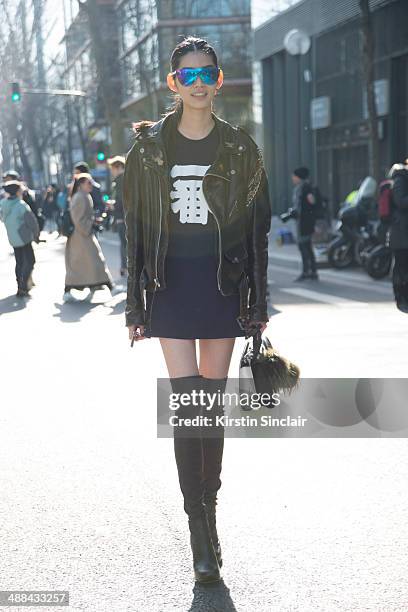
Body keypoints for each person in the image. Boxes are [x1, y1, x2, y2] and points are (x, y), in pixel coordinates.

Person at [123, 36, 271, 584]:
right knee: (189, 409)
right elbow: (135, 229)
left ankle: (209, 510)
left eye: (206, 73)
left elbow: (258, 228)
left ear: (219, 77)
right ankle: (199, 532)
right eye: (187, 76)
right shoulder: (149, 150)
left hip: (222, 286)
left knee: (211, 408)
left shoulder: (240, 148)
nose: (198, 83)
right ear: (172, 84)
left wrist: (258, 299)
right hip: (169, 289)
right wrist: (135, 303)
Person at [63, 173, 114, 302]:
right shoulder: (80, 197)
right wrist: (90, 224)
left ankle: (106, 285)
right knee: (91, 262)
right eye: (89, 183)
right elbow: (78, 219)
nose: (91, 185)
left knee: (88, 263)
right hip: (80, 237)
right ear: (81, 184)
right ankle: (108, 286)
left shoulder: (83, 196)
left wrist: (92, 221)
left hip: (82, 236)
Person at [0, 180, 40, 297]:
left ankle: (19, 285)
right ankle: (23, 286)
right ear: (18, 192)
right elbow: (32, 222)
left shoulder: (3, 204)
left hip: (12, 238)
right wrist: (36, 235)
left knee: (19, 262)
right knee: (30, 260)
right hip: (24, 237)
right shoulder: (21, 205)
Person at [291, 166, 319, 281]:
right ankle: (312, 271)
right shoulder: (303, 187)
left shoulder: (305, 187)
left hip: (304, 222)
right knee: (307, 247)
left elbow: (312, 202)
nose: (292, 178)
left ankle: (307, 271)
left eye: (294, 176)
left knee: (304, 247)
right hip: (303, 221)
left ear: (299, 177)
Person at [389, 162, 408, 313]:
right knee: (402, 266)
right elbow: (400, 201)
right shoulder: (400, 178)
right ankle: (401, 297)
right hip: (401, 232)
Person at [107, 155, 127, 276]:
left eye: (113, 169)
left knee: (124, 243)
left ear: (118, 167)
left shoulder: (120, 180)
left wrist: (113, 206)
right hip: (126, 216)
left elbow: (122, 200)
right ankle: (125, 266)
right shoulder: (128, 178)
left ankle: (125, 267)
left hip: (122, 217)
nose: (112, 172)